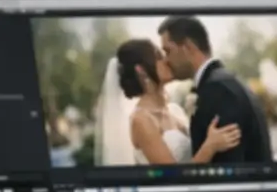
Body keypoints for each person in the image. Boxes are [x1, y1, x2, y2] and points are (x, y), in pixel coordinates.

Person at [95, 39, 241, 165]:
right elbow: (174, 178)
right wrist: (210, 147)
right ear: (141, 70)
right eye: (158, 57)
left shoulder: (174, 110)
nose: (166, 61)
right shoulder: (141, 120)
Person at [158, 16, 274, 165]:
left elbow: (229, 163)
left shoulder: (218, 90)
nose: (166, 60)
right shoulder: (224, 82)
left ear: (187, 47)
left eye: (168, 51)